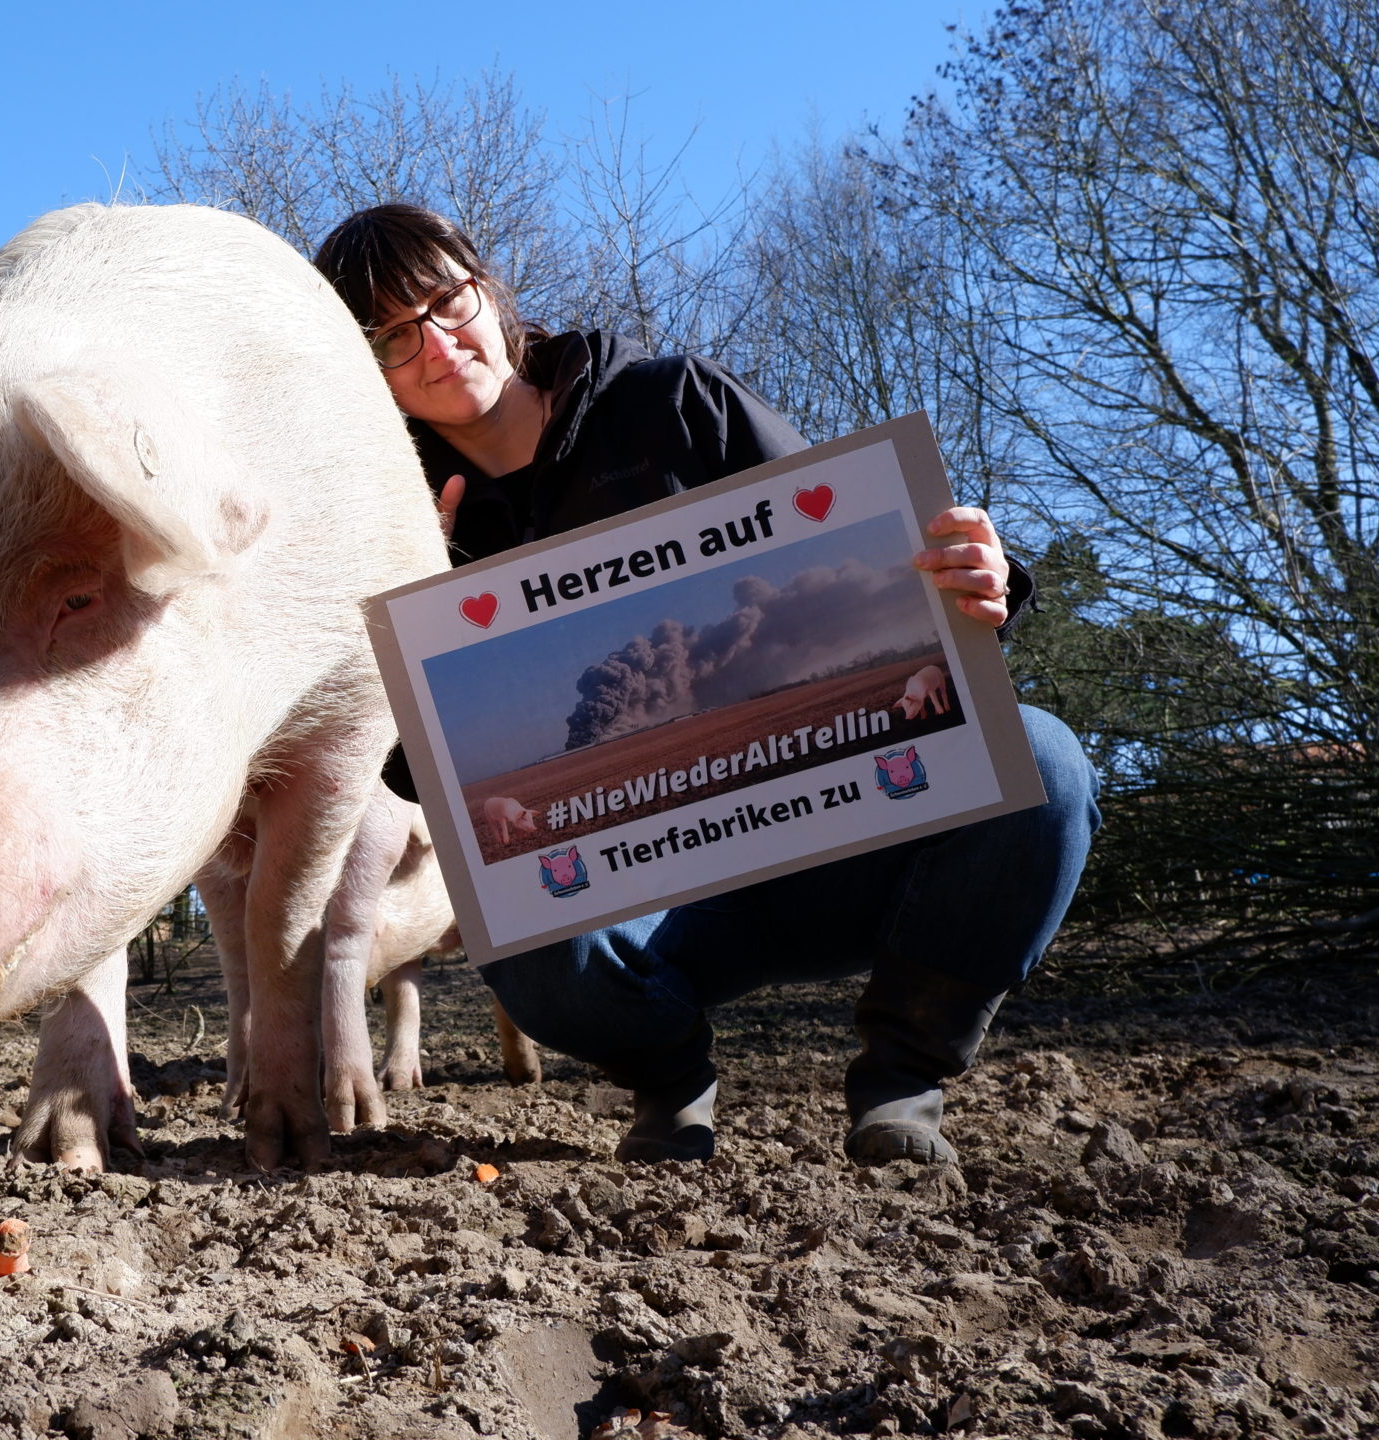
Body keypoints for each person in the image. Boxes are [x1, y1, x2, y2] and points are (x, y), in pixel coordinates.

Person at [313, 204, 1101, 1164]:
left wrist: (979, 577)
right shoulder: (400, 522)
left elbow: (873, 553)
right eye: (393, 336)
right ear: (366, 371)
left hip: (847, 834)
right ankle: (669, 1079)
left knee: (1046, 759)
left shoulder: (674, 403)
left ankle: (903, 1079)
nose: (438, 344)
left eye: (448, 301)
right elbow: (408, 774)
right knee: (504, 911)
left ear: (490, 288)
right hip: (653, 911)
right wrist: (418, 600)